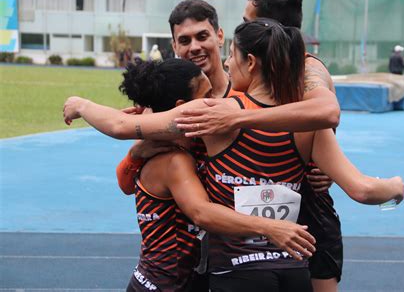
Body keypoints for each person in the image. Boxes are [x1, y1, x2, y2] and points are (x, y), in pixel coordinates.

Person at [63, 18, 404, 291]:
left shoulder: (216, 114)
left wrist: (81, 104)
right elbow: (362, 190)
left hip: (238, 272)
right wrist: (396, 185)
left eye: (232, 57)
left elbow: (120, 126)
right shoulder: (308, 122)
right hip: (293, 269)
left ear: (251, 63)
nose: (227, 64)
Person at [173, 0, 342, 291]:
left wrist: (239, 117)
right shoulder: (177, 89)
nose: (194, 47)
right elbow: (132, 136)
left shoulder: (301, 71)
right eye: (184, 41)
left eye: (202, 36)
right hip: (213, 236)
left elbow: (328, 113)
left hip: (292, 228)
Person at [99, 57, 317, 291]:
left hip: (189, 281)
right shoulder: (172, 158)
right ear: (183, 106)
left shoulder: (201, 143)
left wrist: (314, 169)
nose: (215, 103)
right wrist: (270, 227)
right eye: (207, 97)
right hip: (163, 285)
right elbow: (200, 212)